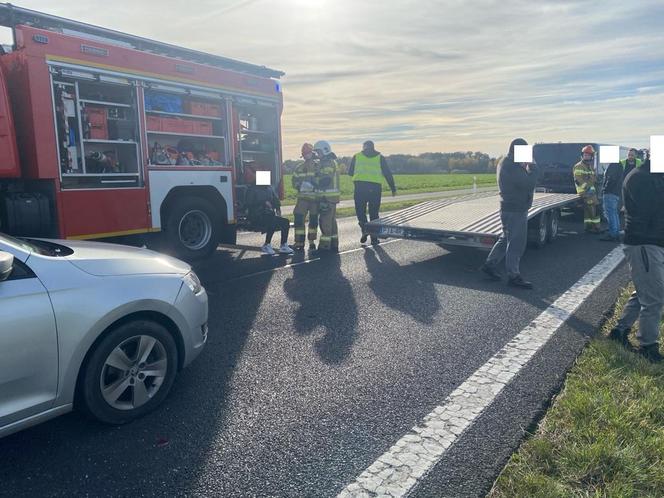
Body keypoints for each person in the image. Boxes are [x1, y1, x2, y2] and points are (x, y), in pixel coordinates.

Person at [608, 160, 664, 362]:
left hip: (651, 242)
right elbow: (653, 209)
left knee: (645, 292)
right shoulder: (640, 178)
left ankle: (620, 331)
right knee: (654, 298)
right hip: (645, 243)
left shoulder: (651, 176)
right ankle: (648, 345)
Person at [480, 138, 539, 289]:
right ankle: (514, 275)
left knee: (506, 238)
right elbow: (528, 183)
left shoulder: (506, 162)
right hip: (515, 209)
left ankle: (490, 264)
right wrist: (533, 167)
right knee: (516, 242)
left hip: (508, 206)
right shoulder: (511, 166)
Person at [348, 140, 397, 245]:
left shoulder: (356, 156)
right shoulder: (380, 157)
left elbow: (350, 172)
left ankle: (365, 229)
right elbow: (387, 173)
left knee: (360, 212)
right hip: (375, 189)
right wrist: (393, 188)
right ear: (373, 147)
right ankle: (374, 238)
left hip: (360, 188)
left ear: (363, 147)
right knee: (374, 213)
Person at [245, 180, 294, 256]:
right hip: (257, 215)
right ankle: (266, 245)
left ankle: (283, 245)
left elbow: (275, 200)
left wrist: (277, 208)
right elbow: (249, 203)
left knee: (285, 222)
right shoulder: (252, 189)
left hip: (268, 214)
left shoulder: (269, 189)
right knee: (272, 222)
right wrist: (263, 203)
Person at [292, 143, 320, 251]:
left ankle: (311, 242)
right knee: (299, 219)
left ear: (312, 153)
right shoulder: (299, 167)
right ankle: (299, 242)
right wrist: (300, 186)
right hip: (302, 198)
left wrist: (313, 186)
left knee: (313, 221)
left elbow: (323, 181)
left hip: (314, 199)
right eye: (304, 154)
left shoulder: (319, 166)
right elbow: (294, 181)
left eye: (307, 153)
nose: (306, 155)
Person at [313, 140, 340, 252]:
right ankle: (334, 244)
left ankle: (324, 247)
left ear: (325, 150)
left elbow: (325, 179)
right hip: (331, 197)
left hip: (326, 197)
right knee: (332, 222)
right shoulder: (330, 161)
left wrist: (313, 182)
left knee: (325, 223)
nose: (317, 154)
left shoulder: (327, 163)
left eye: (318, 152)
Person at [573, 145, 601, 233]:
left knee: (590, 211)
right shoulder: (579, 166)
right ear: (582, 155)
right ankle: (596, 228)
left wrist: (596, 179)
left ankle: (588, 227)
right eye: (585, 155)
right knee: (593, 210)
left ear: (591, 156)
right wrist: (587, 189)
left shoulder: (590, 166)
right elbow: (578, 180)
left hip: (591, 192)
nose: (586, 156)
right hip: (585, 192)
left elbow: (593, 178)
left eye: (588, 155)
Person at [600, 161, 623, 242]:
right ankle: (615, 232)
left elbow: (611, 178)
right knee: (614, 213)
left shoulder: (613, 165)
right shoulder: (619, 164)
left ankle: (613, 234)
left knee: (610, 213)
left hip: (610, 192)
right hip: (616, 192)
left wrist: (604, 189)